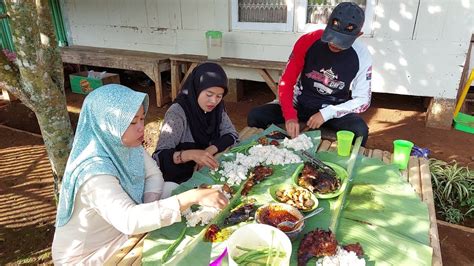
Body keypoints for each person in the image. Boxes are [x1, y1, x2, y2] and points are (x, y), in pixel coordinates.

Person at [52, 84, 229, 265]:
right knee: (172, 230)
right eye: (132, 122)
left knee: (171, 188)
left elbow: (154, 175)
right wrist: (192, 197)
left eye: (142, 118)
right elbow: (129, 220)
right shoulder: (94, 174)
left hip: (119, 230)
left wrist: (149, 204)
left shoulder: (124, 144)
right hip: (92, 255)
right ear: (108, 124)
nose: (141, 128)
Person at [247, 2, 372, 146]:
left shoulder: (362, 55)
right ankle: (265, 154)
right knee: (256, 116)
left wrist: (326, 114)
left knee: (360, 130)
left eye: (342, 41)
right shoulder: (308, 40)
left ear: (359, 35)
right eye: (332, 35)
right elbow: (286, 82)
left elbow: (363, 100)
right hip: (300, 104)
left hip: (333, 110)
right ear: (327, 25)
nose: (335, 43)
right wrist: (290, 116)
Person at [152, 63, 239, 183]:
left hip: (208, 172)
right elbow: (160, 157)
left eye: (219, 96)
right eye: (209, 94)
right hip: (181, 180)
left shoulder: (217, 108)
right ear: (197, 88)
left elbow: (231, 134)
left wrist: (209, 151)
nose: (213, 101)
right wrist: (191, 155)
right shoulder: (177, 113)